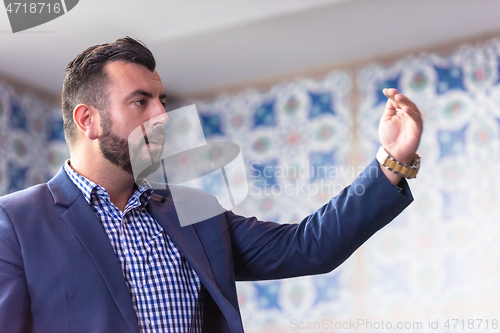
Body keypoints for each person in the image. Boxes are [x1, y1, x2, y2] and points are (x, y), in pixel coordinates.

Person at [0, 37, 423, 333]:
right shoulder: (16, 223)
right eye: (140, 101)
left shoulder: (195, 213)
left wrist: (394, 161)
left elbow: (308, 247)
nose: (162, 115)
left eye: (161, 100)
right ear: (87, 120)